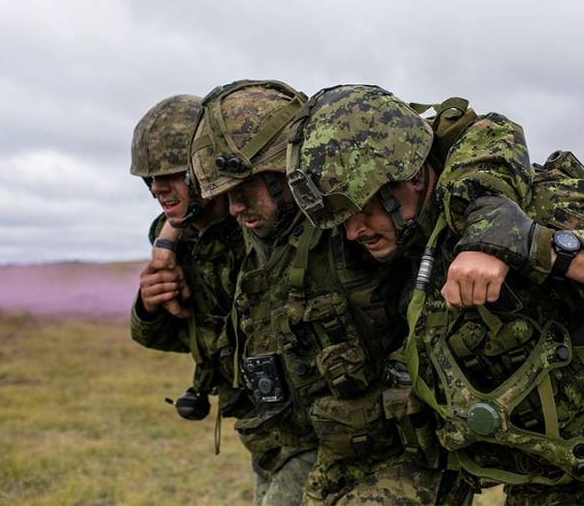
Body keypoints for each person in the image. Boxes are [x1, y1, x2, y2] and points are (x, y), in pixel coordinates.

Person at [286, 84, 584, 505]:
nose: (353, 230)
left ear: (412, 176)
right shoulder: (415, 246)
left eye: (360, 207)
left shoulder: (534, 205)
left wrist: (537, 246)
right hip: (545, 477)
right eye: (340, 218)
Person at [188, 79, 472, 505]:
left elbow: (466, 144)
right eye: (226, 198)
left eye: (243, 193)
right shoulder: (247, 247)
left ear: (281, 176)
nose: (235, 210)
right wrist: (167, 242)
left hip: (404, 459)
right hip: (310, 450)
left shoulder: (352, 220)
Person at [129, 94, 246, 445]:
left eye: (170, 173)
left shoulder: (261, 227)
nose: (156, 187)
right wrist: (150, 306)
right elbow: (181, 339)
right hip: (253, 415)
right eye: (150, 176)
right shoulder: (176, 239)